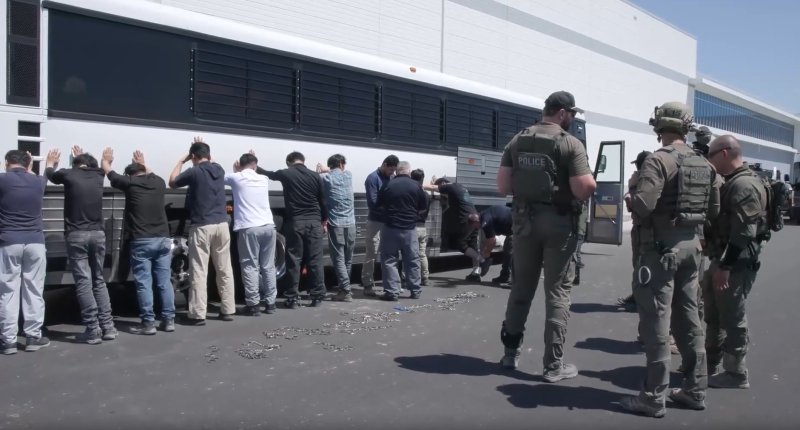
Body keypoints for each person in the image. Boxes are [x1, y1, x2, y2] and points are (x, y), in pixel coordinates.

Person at [620, 102, 719, 417]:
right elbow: (714, 210)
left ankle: (653, 396)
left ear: (658, 126)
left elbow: (643, 206)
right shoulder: (705, 164)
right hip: (692, 248)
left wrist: (630, 197)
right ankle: (694, 389)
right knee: (689, 319)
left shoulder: (657, 161)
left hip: (659, 251)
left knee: (656, 322)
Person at [495, 90, 596, 382]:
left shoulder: (518, 139)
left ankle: (509, 354)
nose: (573, 119)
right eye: (572, 114)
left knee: (521, 288)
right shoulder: (570, 143)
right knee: (558, 293)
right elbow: (583, 188)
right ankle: (553, 366)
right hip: (560, 225)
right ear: (563, 113)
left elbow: (503, 186)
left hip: (525, 223)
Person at [703, 135, 765, 389]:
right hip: (723, 260)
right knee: (715, 314)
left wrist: (725, 267)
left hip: (736, 264)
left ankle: (736, 373)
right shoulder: (732, 182)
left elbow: (744, 233)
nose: (709, 160)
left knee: (733, 317)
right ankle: (713, 363)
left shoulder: (744, 186)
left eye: (711, 155)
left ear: (725, 153)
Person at [46, 146, 117, 344]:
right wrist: (106, 161)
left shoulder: (69, 175)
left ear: (75, 165)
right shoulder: (98, 175)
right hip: (98, 234)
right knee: (99, 280)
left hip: (77, 235)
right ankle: (108, 327)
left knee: (84, 282)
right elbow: (93, 168)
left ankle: (93, 330)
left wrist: (50, 163)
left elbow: (51, 174)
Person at [103, 148, 175, 334]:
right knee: (164, 282)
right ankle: (168, 320)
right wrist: (143, 161)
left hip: (142, 240)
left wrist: (106, 160)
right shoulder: (158, 183)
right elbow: (150, 173)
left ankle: (148, 323)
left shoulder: (130, 183)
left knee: (144, 282)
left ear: (131, 175)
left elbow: (109, 172)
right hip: (163, 239)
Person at [169, 137, 235, 325]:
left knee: (199, 270)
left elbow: (172, 181)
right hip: (222, 224)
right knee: (224, 269)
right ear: (209, 156)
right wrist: (202, 148)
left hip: (202, 225)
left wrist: (182, 161)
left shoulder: (194, 171)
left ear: (194, 157)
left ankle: (198, 314)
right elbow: (210, 159)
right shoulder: (219, 169)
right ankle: (228, 310)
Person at [256, 151, 327, 308]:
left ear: (289, 162)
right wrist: (324, 220)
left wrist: (254, 163)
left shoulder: (286, 173)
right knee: (315, 260)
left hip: (295, 222)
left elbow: (268, 174)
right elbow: (323, 200)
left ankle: (292, 298)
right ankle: (316, 296)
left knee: (294, 260)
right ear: (303, 160)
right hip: (314, 222)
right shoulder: (316, 176)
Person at [0, 150, 49, 354]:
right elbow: (40, 175)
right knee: (34, 289)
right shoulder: (38, 182)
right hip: (35, 242)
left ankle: (9, 341)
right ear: (28, 165)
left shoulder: (2, 180)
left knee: (8, 290)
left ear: (6, 163)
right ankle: (32, 337)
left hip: (9, 241)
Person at [225, 152, 277, 316]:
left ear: (240, 165)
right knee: (268, 266)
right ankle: (270, 303)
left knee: (250, 266)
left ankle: (253, 304)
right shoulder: (263, 179)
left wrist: (236, 171)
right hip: (268, 226)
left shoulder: (236, 178)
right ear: (255, 165)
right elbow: (256, 170)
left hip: (249, 227)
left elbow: (218, 178)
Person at [376, 161, 428, 301]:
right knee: (412, 260)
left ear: (397, 171)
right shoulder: (416, 186)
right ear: (409, 172)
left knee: (389, 260)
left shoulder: (388, 185)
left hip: (390, 228)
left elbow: (378, 205)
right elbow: (423, 207)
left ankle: (392, 292)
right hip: (410, 229)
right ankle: (415, 290)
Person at [423, 177, 487, 281]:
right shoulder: (460, 187)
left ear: (444, 184)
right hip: (474, 216)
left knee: (458, 244)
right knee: (472, 245)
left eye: (442, 187)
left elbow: (433, 187)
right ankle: (476, 272)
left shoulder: (450, 187)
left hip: (466, 219)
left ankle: (483, 261)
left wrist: (417, 184)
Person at [316, 154, 356, 302]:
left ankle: (345, 290)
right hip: (350, 223)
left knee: (338, 258)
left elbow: (322, 179)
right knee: (348, 259)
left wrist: (322, 171)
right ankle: (343, 288)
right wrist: (329, 169)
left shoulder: (326, 179)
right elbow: (342, 171)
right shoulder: (349, 176)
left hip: (336, 223)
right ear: (341, 164)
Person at [618, 150, 652, 310]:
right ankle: (638, 295)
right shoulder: (653, 177)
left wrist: (631, 187)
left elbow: (635, 206)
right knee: (640, 264)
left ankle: (640, 298)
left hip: (643, 228)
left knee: (641, 264)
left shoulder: (644, 180)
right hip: (644, 227)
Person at [361, 155, 398, 296]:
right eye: (390, 170)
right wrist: (390, 209)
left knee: (389, 253)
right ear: (384, 164)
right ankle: (367, 283)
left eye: (394, 170)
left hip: (388, 221)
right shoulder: (372, 178)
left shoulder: (392, 178)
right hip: (375, 221)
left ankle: (389, 283)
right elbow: (373, 202)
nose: (392, 173)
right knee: (371, 253)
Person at [478, 205, 513, 285]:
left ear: (476, 221)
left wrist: (486, 256)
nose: (477, 229)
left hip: (517, 225)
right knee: (508, 250)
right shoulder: (484, 215)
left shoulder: (485, 220)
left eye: (475, 227)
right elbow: (489, 240)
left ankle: (513, 279)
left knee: (512, 252)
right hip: (512, 226)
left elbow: (492, 241)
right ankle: (505, 276)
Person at [410, 169, 431, 286]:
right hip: (423, 227)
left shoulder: (413, 193)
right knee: (422, 254)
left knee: (409, 254)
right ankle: (425, 277)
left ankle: (408, 277)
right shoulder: (426, 194)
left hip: (412, 227)